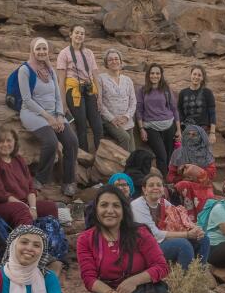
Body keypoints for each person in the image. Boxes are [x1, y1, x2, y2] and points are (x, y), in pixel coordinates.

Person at [17, 38, 78, 197]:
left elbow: (58, 94)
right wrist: (48, 118)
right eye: (38, 49)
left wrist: (59, 115)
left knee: (71, 141)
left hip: (54, 114)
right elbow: (27, 100)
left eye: (44, 49)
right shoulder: (25, 70)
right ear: (33, 50)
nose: (42, 52)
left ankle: (68, 181)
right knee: (51, 142)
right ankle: (40, 179)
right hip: (33, 113)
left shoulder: (50, 69)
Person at [0, 126, 60, 227]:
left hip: (21, 203)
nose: (5, 144)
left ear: (15, 142)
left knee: (50, 207)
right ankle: (24, 241)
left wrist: (33, 208)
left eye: (9, 141)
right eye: (0, 141)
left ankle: (51, 240)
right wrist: (26, 207)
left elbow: (30, 188)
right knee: (21, 211)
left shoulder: (18, 159)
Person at [132, 173, 209, 269]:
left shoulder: (163, 202)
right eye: (151, 185)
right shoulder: (138, 205)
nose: (155, 188)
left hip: (160, 242)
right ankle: (183, 280)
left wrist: (196, 230)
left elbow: (183, 218)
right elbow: (153, 234)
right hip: (145, 247)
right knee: (183, 245)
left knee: (203, 238)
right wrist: (187, 234)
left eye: (159, 185)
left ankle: (198, 274)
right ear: (144, 189)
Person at [56, 25, 103, 153]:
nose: (79, 35)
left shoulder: (89, 53)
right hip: (74, 91)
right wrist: (63, 103)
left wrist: (99, 96)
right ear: (70, 34)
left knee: (97, 125)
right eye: (77, 32)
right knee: (81, 125)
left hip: (89, 89)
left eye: (82, 33)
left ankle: (100, 155)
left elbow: (95, 74)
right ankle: (84, 156)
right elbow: (61, 80)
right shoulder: (64, 53)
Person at [135, 63, 179, 175]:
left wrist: (178, 130)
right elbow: (139, 110)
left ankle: (169, 180)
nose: (155, 76)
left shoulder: (166, 89)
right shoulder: (142, 90)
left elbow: (174, 109)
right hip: (151, 127)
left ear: (161, 75)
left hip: (169, 125)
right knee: (161, 155)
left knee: (170, 155)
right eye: (152, 73)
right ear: (148, 75)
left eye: (157, 73)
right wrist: (141, 129)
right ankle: (162, 181)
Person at [169, 124, 217, 221]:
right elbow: (170, 176)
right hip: (183, 187)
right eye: (188, 134)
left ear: (200, 136)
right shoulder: (177, 153)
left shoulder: (207, 153)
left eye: (194, 135)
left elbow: (212, 174)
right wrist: (183, 177)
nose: (191, 137)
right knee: (183, 185)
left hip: (202, 186)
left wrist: (195, 172)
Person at [97, 48, 137, 152]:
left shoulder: (127, 80)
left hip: (126, 120)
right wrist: (111, 118)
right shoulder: (100, 78)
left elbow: (133, 101)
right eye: (110, 59)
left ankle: (128, 166)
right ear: (106, 63)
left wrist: (126, 117)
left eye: (116, 58)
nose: (114, 61)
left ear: (120, 61)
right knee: (125, 138)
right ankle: (123, 166)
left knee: (132, 152)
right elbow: (99, 103)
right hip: (110, 120)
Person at [176, 64, 216, 138]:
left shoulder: (207, 92)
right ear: (191, 75)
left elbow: (212, 113)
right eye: (194, 74)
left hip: (203, 130)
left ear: (202, 78)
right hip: (187, 130)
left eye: (199, 75)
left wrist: (212, 133)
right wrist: (179, 130)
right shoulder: (183, 93)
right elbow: (179, 112)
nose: (196, 77)